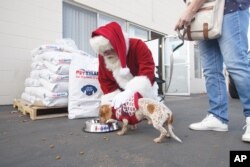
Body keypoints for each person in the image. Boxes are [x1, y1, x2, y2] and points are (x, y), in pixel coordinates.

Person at [175, 0, 250, 142]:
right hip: (204, 12)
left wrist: (190, 9)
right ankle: (218, 116)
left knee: (236, 65)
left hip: (230, 7)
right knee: (211, 70)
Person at [89, 22, 158, 109]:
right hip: (119, 92)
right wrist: (114, 97)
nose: (106, 54)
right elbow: (104, 80)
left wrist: (131, 91)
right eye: (103, 51)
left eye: (109, 49)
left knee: (147, 109)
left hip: (143, 87)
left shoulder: (138, 46)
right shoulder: (103, 56)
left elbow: (147, 71)